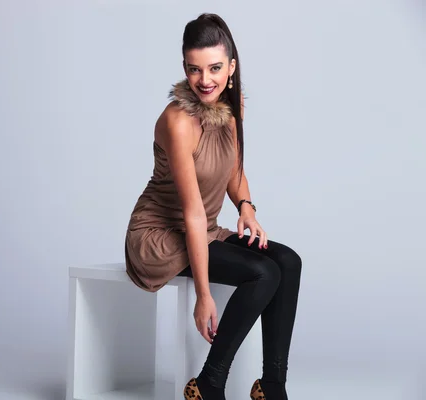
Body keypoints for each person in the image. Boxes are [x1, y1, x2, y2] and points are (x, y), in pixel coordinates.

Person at [124, 13, 302, 400]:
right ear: (185, 68)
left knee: (288, 262)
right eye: (195, 69)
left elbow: (234, 170)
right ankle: (208, 384)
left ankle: (272, 386)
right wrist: (203, 294)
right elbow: (189, 213)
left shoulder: (232, 107)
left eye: (215, 68)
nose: (206, 80)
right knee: (262, 274)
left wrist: (247, 208)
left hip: (203, 228)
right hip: (159, 235)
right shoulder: (179, 122)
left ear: (232, 67)